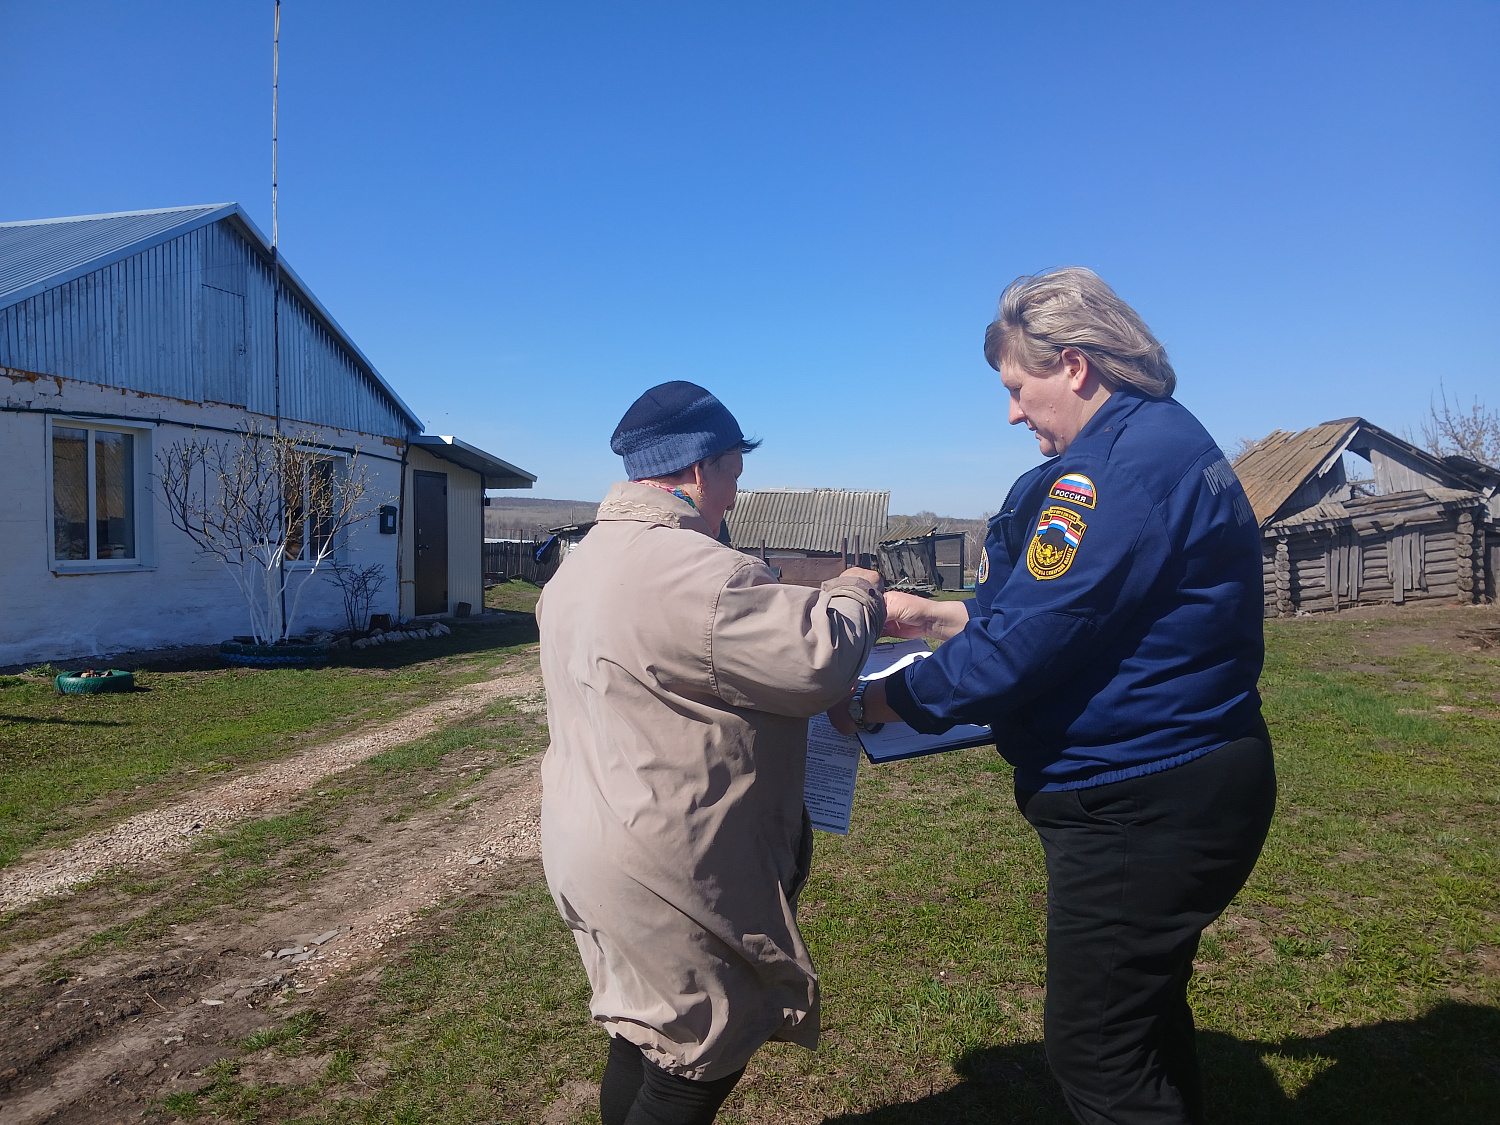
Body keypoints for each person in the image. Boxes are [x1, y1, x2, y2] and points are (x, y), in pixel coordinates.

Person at [833, 268, 1276, 1125]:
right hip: (1190, 771)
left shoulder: (1105, 473)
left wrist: (874, 704)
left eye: (1015, 387)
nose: (1011, 412)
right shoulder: (1170, 439)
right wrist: (940, 615)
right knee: (1141, 1020)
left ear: (1073, 365)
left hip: (1139, 798)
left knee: (1098, 1052)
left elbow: (1021, 652)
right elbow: (1082, 615)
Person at [539, 381, 885, 1125]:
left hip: (590, 843)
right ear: (697, 470)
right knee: (696, 1057)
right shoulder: (704, 573)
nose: (735, 489)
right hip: (670, 865)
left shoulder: (582, 562)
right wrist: (858, 590)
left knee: (641, 1035)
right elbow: (816, 659)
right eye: (732, 469)